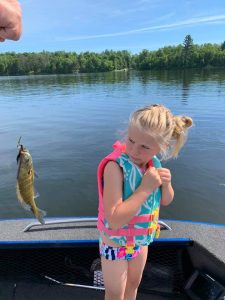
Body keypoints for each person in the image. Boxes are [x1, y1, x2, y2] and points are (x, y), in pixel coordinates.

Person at [97, 104, 193, 300]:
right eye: (131, 140)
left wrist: (166, 184)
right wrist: (145, 188)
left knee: (133, 285)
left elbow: (165, 200)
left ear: (162, 147)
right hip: (115, 243)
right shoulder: (115, 168)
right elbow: (114, 220)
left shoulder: (153, 167)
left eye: (144, 147)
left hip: (140, 243)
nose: (134, 150)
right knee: (115, 293)